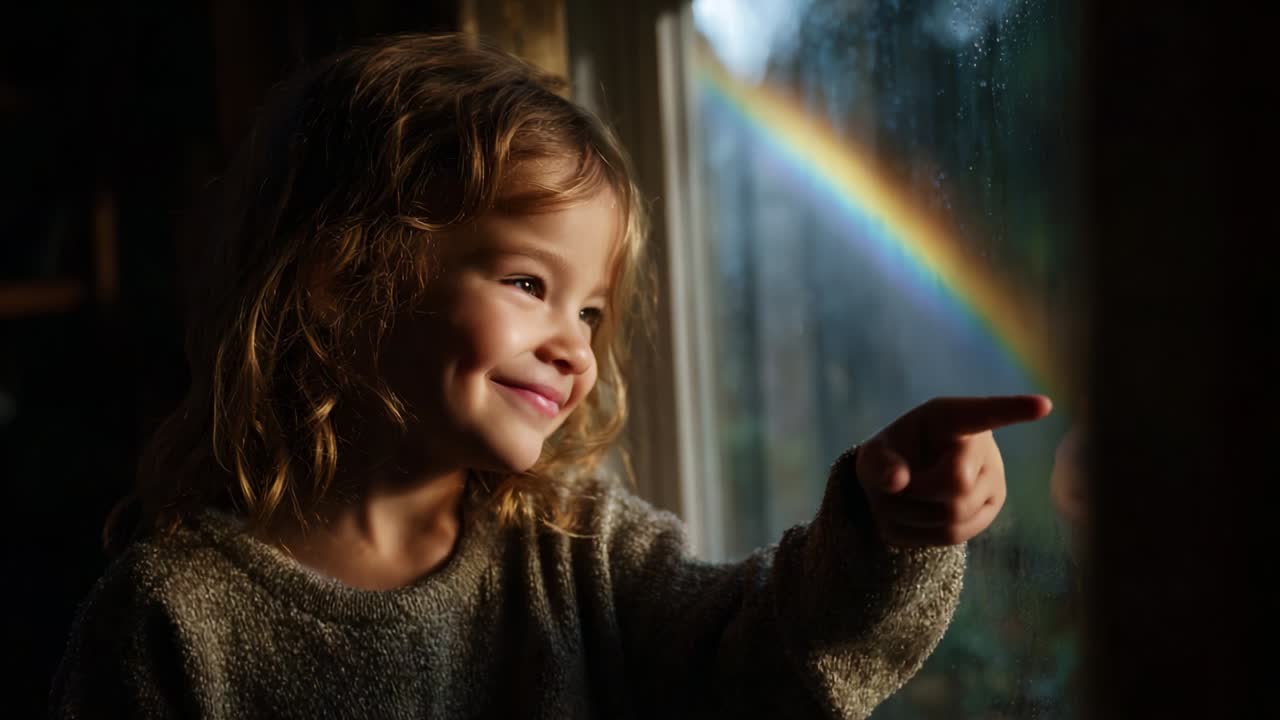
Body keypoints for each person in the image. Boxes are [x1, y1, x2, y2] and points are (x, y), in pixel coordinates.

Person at [51, 33, 1051, 719]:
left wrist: (888, 534)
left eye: (591, 310)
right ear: (341, 279)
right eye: (528, 282)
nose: (576, 344)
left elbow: (766, 662)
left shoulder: (576, 551)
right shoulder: (168, 621)